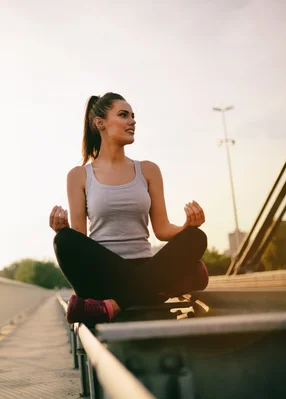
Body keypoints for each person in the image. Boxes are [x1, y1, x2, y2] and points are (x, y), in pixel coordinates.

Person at [49, 92, 209, 326]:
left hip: (145, 263)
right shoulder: (79, 175)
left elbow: (162, 230)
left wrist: (187, 226)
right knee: (63, 241)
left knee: (196, 237)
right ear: (100, 123)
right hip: (104, 272)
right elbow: (80, 239)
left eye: (133, 116)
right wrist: (62, 229)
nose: (132, 121)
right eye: (123, 115)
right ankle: (154, 287)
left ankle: (112, 305)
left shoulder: (148, 170)